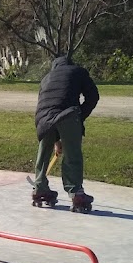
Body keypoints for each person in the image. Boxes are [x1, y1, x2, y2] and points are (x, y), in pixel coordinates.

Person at [31, 54, 100, 212]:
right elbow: (93, 96)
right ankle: (76, 192)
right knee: (72, 154)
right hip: (68, 113)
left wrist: (56, 138)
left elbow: (51, 105)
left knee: (43, 152)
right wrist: (79, 116)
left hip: (42, 117)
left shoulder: (46, 78)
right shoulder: (78, 71)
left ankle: (39, 188)